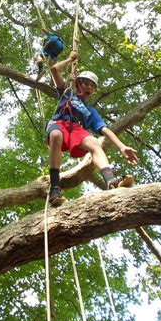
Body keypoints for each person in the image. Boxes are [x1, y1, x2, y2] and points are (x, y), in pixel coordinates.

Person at [46, 51, 137, 207]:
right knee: (55, 136)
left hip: (76, 128)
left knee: (94, 142)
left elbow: (105, 130)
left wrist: (121, 147)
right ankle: (55, 187)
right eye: (86, 83)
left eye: (92, 86)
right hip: (59, 122)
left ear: (93, 91)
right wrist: (70, 59)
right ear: (77, 83)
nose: (88, 87)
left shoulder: (90, 111)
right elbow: (54, 69)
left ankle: (110, 180)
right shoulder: (67, 93)